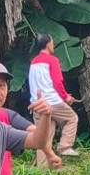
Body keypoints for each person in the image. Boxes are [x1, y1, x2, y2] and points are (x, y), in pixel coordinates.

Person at [28, 33, 80, 163]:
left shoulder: (33, 62)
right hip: (52, 102)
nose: (54, 45)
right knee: (72, 118)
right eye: (52, 42)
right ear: (48, 44)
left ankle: (42, 170)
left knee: (43, 136)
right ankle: (65, 146)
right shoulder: (52, 60)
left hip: (36, 103)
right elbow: (57, 82)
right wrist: (65, 97)